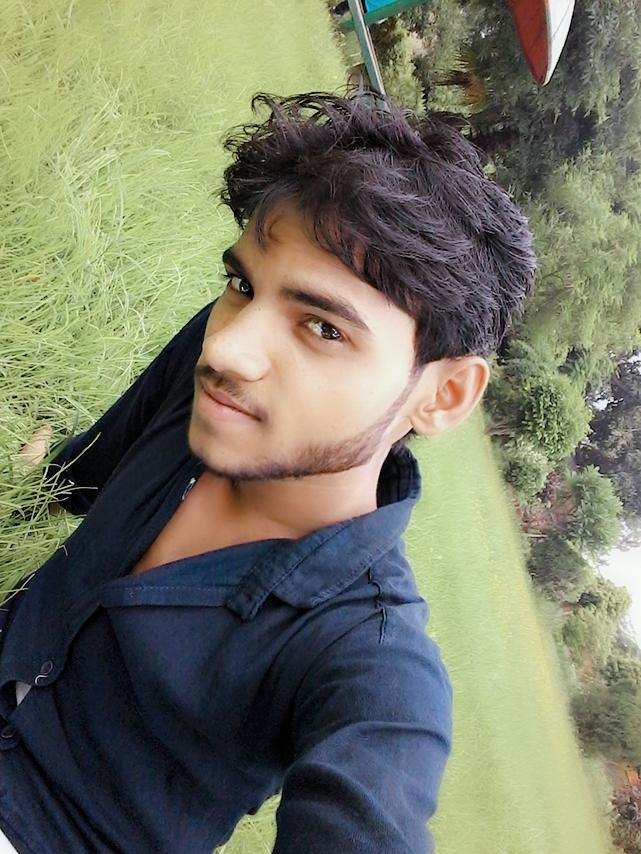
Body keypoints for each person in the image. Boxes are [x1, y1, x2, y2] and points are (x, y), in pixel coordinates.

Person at [1, 89, 537, 853]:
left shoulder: (373, 661)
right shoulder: (220, 381)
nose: (230, 348)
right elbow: (95, 464)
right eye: (243, 286)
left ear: (442, 394)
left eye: (322, 327)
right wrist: (41, 475)